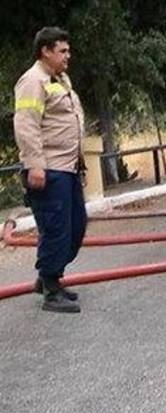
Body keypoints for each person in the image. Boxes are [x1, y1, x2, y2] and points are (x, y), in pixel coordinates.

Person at [13, 27, 86, 313]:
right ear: (45, 51)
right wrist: (35, 165)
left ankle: (48, 277)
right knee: (56, 228)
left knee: (76, 226)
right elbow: (26, 125)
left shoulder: (61, 79)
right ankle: (51, 288)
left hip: (68, 168)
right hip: (48, 169)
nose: (68, 56)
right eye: (63, 51)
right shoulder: (32, 81)